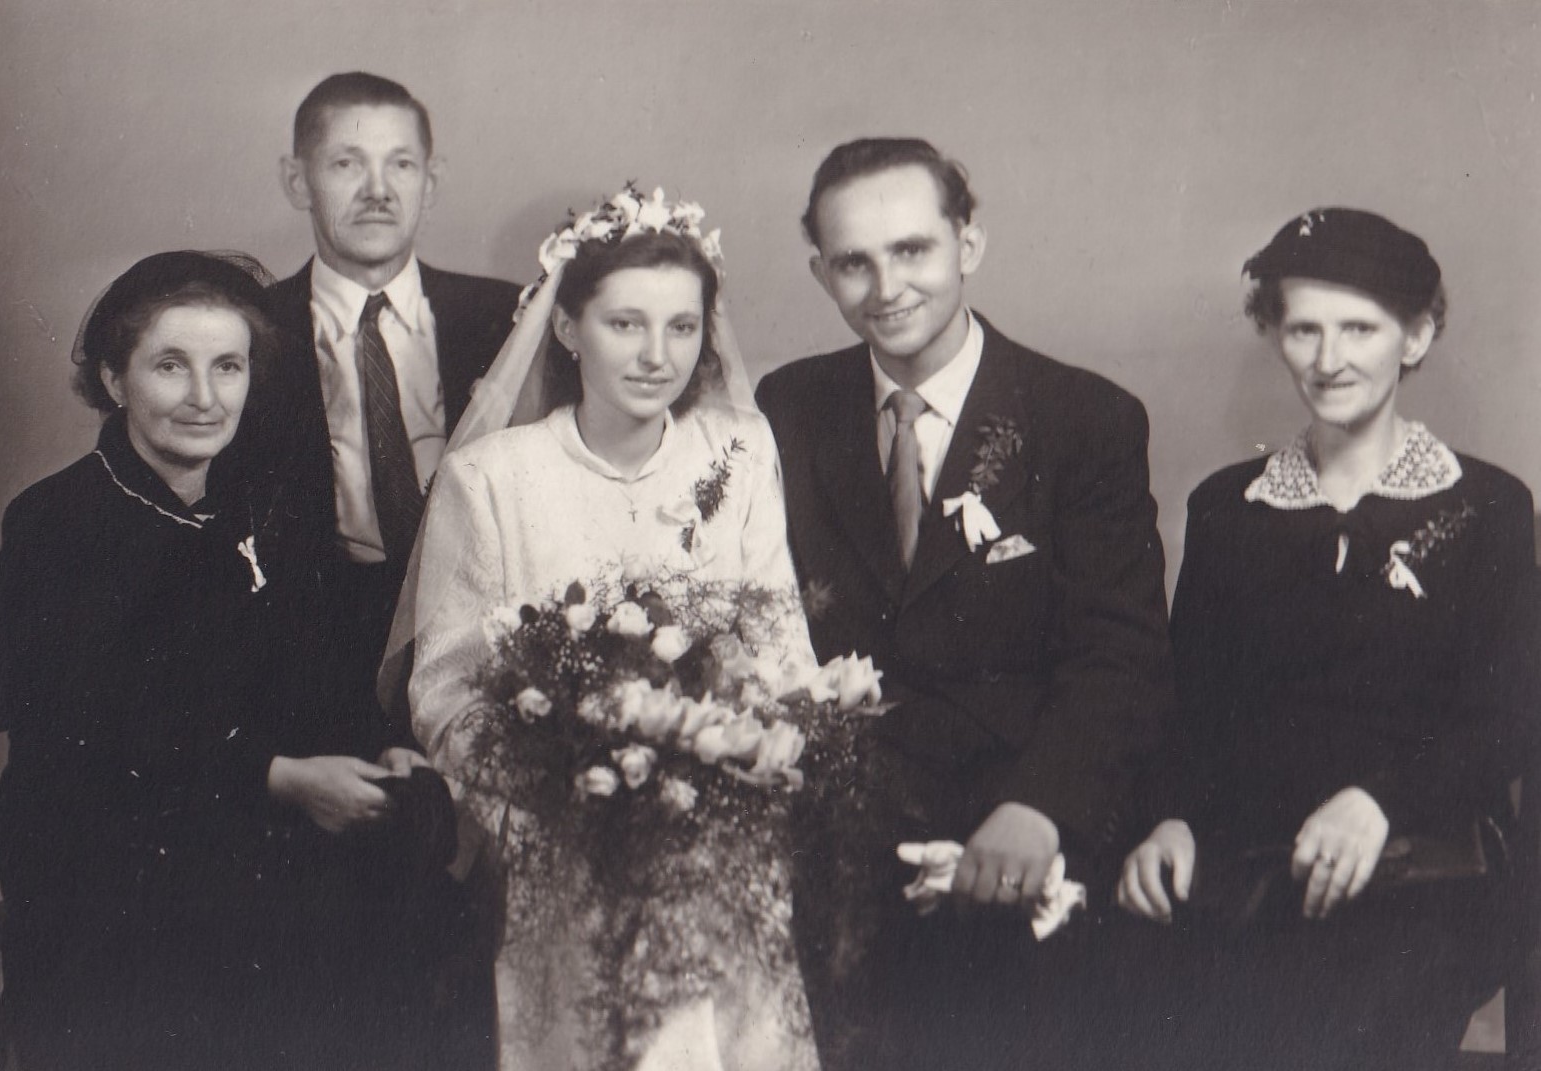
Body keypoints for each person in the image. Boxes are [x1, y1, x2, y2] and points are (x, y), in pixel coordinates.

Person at [756, 138, 1175, 1070]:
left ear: (968, 244)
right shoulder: (787, 406)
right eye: (853, 262)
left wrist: (1041, 806)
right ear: (820, 273)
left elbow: (1119, 656)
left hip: (1016, 814)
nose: (886, 288)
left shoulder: (1082, 418)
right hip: (838, 832)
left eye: (912, 250)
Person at [0, 251, 443, 1070]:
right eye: (171, 365)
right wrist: (279, 777)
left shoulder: (260, 499)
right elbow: (93, 741)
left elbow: (309, 669)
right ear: (115, 378)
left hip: (246, 861)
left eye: (227, 366)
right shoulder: (57, 522)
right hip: (109, 895)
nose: (204, 397)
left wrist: (377, 742)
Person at [403, 187, 819, 1070]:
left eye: (681, 326)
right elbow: (444, 687)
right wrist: (553, 798)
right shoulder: (490, 477)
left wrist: (742, 767)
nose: (656, 355)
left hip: (720, 844)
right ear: (566, 327)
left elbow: (782, 648)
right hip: (562, 847)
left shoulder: (740, 452)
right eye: (625, 324)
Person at [1115, 208, 1536, 1071]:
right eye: (1303, 328)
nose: (1327, 357)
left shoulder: (1489, 506)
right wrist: (1169, 818)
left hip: (1417, 877)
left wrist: (1376, 800)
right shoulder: (1227, 506)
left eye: (1358, 328)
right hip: (1247, 871)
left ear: (1415, 336)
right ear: (1274, 334)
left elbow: (1507, 714)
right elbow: (1186, 703)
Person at [262, 71, 522, 710]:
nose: (377, 190)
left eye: (400, 164)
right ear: (297, 181)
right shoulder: (251, 332)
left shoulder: (508, 318)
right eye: (346, 163)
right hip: (308, 661)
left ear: (429, 183)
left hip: (489, 647)